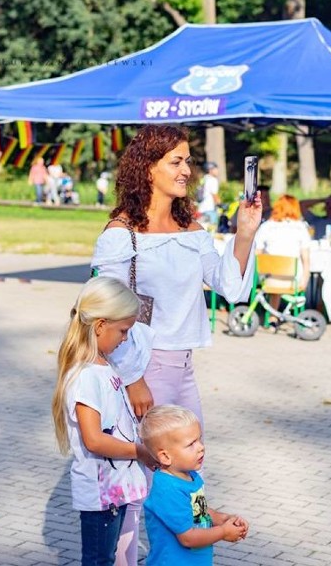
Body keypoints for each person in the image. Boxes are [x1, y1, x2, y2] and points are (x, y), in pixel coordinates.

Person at [91, 124, 259, 564]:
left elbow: (232, 287)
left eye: (188, 160)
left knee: (190, 473)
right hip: (143, 370)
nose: (188, 169)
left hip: (183, 370)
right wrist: (133, 378)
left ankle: (190, 552)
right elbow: (102, 314)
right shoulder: (121, 234)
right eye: (176, 161)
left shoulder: (192, 226)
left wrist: (244, 233)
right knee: (135, 485)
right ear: (148, 169)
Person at [51, 276, 154, 566]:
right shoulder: (85, 376)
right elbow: (94, 439)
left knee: (105, 558)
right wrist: (138, 451)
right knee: (98, 560)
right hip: (100, 495)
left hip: (114, 488)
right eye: (123, 331)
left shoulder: (105, 366)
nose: (125, 339)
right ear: (100, 326)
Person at [140, 405, 248, 565]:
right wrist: (223, 532)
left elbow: (197, 511)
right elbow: (188, 538)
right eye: (191, 444)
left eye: (199, 439)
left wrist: (222, 519)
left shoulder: (189, 475)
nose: (201, 447)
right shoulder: (168, 490)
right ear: (165, 456)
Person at [254, 194, 311, 308]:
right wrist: (305, 280)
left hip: (268, 280)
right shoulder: (301, 227)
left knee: (272, 271)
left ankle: (272, 316)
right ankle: (290, 310)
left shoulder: (266, 226)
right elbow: (306, 258)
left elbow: (257, 253)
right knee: (291, 271)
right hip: (293, 280)